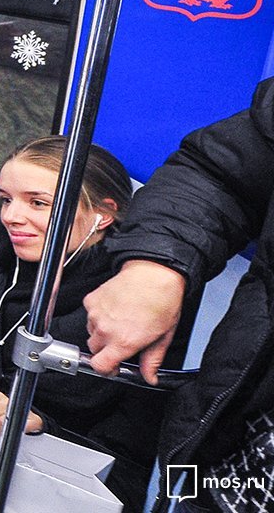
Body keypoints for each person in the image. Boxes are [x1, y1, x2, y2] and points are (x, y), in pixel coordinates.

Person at [0, 136, 159, 509]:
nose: (10, 216)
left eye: (38, 203)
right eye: (6, 199)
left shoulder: (130, 309)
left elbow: (132, 464)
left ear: (103, 215)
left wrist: (38, 422)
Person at [83, 79, 274, 510]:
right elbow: (220, 174)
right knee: (178, 495)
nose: (14, 217)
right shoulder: (2, 258)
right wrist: (157, 262)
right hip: (233, 459)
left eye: (40, 203)